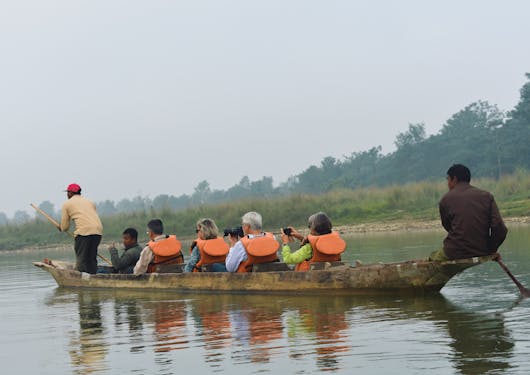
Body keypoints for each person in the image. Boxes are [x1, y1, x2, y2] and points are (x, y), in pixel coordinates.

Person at [429, 164, 508, 261]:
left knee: (433, 259)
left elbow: (448, 226)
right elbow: (500, 228)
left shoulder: (446, 199)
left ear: (454, 179)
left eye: (448, 179)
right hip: (482, 250)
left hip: (454, 252)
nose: (448, 184)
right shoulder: (487, 196)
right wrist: (491, 249)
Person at [59, 183, 103, 274]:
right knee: (91, 259)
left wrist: (61, 228)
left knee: (81, 260)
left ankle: (82, 279)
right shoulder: (90, 202)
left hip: (84, 233)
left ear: (71, 193)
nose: (67, 195)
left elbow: (65, 227)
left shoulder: (67, 204)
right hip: (98, 232)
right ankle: (92, 276)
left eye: (67, 192)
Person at [281, 212, 346, 271]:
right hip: (331, 275)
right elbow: (319, 244)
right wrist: (301, 238)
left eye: (309, 226)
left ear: (313, 229)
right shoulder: (335, 242)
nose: (309, 228)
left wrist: (285, 244)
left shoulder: (308, 248)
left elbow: (288, 259)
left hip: (310, 278)